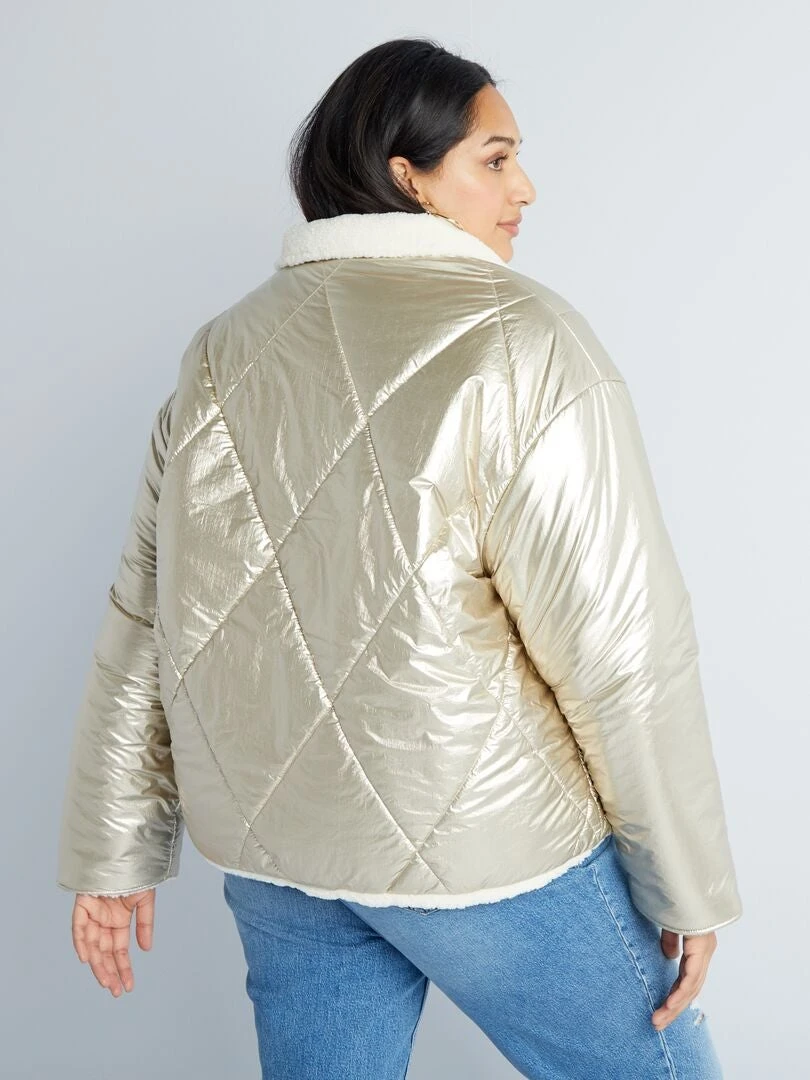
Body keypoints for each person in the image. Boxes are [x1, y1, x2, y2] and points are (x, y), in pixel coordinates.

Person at [57, 36, 743, 1079]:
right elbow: (619, 647)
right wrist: (686, 881)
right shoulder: (524, 340)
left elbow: (145, 619)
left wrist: (113, 855)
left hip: (282, 856)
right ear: (406, 175)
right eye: (495, 159)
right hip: (483, 852)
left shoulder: (224, 349)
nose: (525, 188)